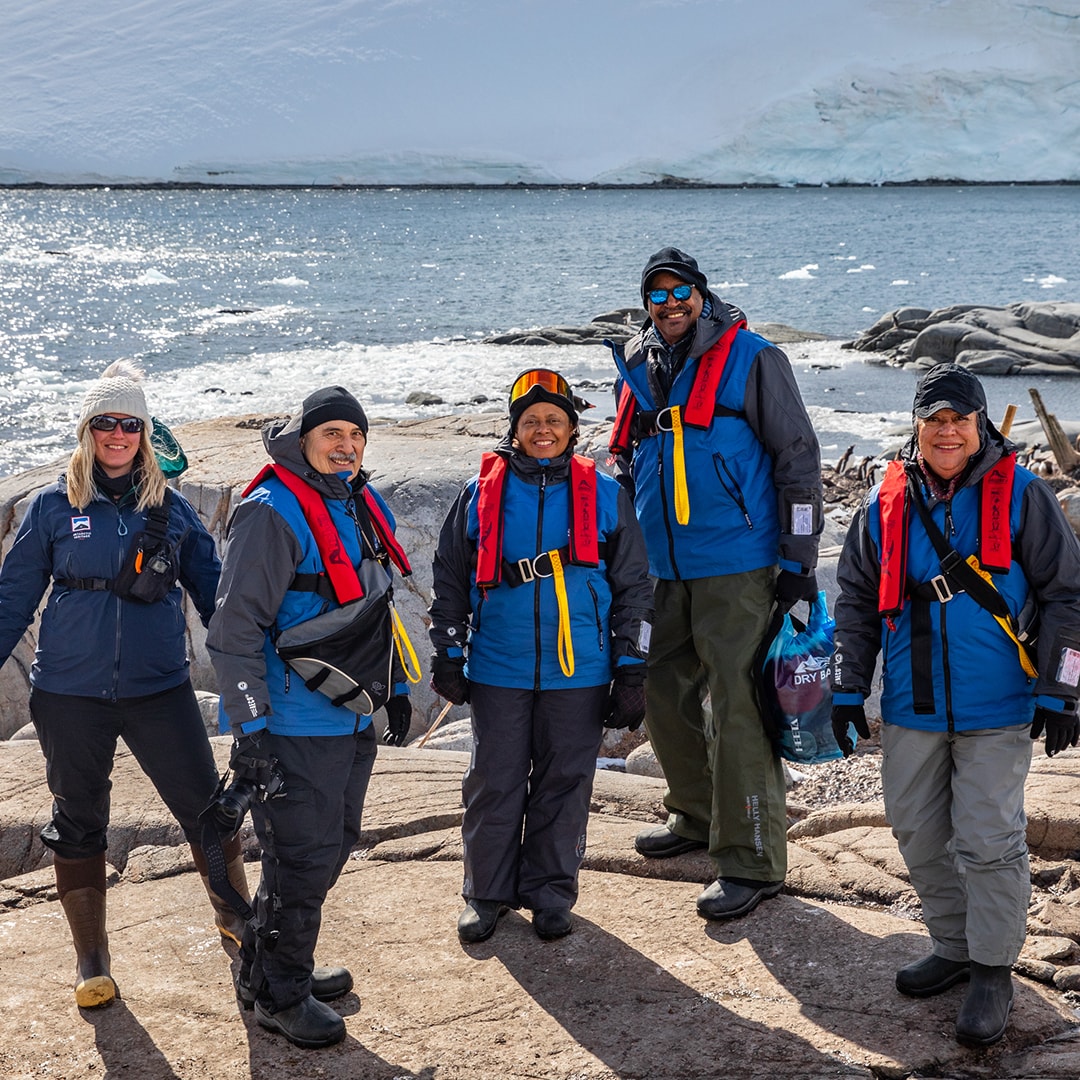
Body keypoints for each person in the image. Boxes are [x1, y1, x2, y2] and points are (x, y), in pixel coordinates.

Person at [831, 362, 1080, 1049]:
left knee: (988, 839)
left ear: (979, 427)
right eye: (935, 420)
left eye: (959, 421)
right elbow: (852, 600)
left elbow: (1068, 596)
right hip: (911, 702)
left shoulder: (1026, 496)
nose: (947, 432)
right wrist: (849, 688)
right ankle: (955, 945)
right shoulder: (882, 502)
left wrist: (1063, 689)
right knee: (915, 829)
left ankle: (994, 969)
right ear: (917, 426)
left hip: (999, 703)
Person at [0, 360, 244, 1010]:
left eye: (128, 423)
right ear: (87, 430)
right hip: (68, 695)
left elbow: (214, 595)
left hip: (160, 690)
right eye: (103, 422)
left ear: (143, 431)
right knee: (78, 821)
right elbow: (13, 599)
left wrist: (252, 669)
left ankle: (238, 923)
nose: (116, 434)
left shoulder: (173, 509)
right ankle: (91, 962)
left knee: (208, 809)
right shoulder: (54, 506)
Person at [607, 247, 823, 920]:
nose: (671, 304)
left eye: (682, 292)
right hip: (661, 566)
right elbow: (624, 458)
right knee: (665, 696)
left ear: (702, 294)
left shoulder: (754, 357)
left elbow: (798, 457)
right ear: (647, 304)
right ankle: (696, 817)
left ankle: (753, 859)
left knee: (737, 707)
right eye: (658, 294)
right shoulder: (639, 367)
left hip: (738, 562)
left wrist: (799, 562)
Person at [207, 386, 414, 1050]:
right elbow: (233, 631)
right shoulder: (270, 513)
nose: (345, 445)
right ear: (302, 439)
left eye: (355, 434)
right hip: (293, 725)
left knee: (330, 845)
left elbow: (374, 609)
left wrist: (398, 688)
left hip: (350, 715)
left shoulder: (350, 500)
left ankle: (269, 965)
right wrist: (251, 731)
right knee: (301, 860)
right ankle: (280, 995)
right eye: (331, 434)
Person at [429, 368, 653, 944]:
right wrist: (449, 652)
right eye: (531, 421)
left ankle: (550, 892)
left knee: (564, 780)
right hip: (499, 665)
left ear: (574, 428)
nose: (543, 430)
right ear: (514, 429)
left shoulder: (606, 494)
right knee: (493, 779)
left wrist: (633, 667)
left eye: (554, 419)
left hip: (580, 669)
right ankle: (486, 893)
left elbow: (635, 587)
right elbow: (450, 576)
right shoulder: (479, 494)